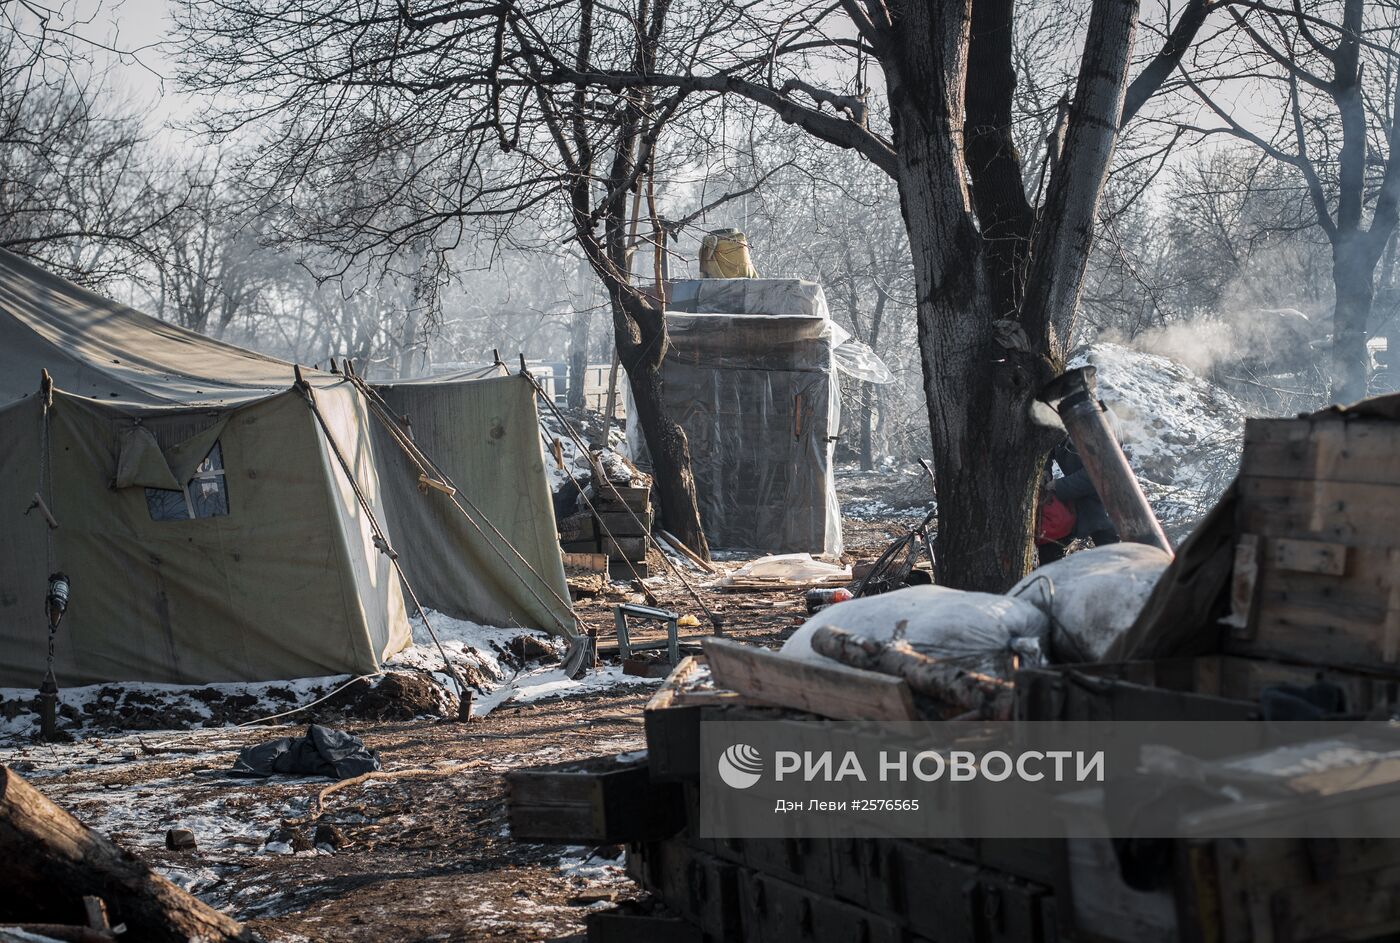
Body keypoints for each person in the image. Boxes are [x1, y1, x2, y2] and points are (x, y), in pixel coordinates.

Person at [1037, 433, 1120, 566]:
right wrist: (1045, 470)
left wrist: (1058, 486)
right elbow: (1049, 445)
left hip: (1103, 505)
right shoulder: (1062, 423)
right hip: (1075, 501)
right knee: (1050, 549)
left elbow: (1097, 473)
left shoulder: (1101, 429)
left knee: (1110, 558)